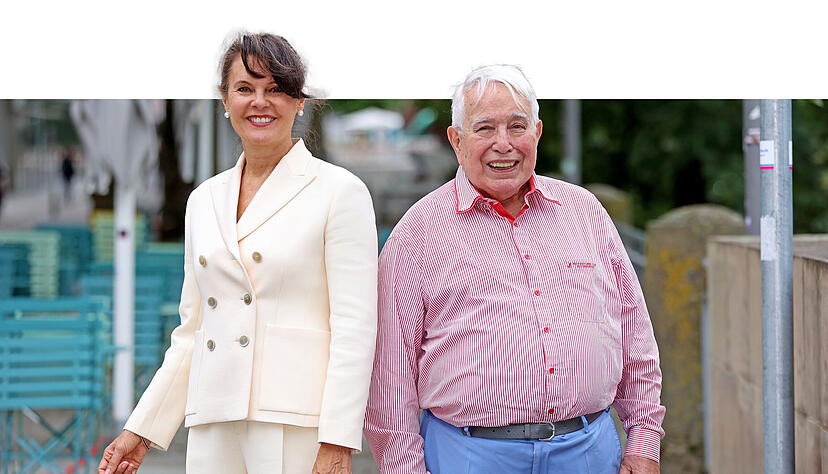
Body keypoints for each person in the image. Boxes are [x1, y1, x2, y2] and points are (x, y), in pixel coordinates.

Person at [99, 33, 378, 474]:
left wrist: (338, 439)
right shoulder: (203, 200)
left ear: (299, 101)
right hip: (213, 415)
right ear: (225, 100)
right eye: (245, 88)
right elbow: (192, 331)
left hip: (295, 421)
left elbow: (354, 328)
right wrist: (142, 428)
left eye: (275, 88)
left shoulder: (340, 192)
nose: (259, 102)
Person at [364, 65, 665, 474]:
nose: (503, 144)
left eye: (517, 126)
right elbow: (389, 376)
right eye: (485, 128)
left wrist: (644, 442)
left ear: (537, 133)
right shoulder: (416, 234)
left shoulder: (585, 212)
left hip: (589, 452)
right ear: (456, 140)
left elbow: (635, 334)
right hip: (469, 457)